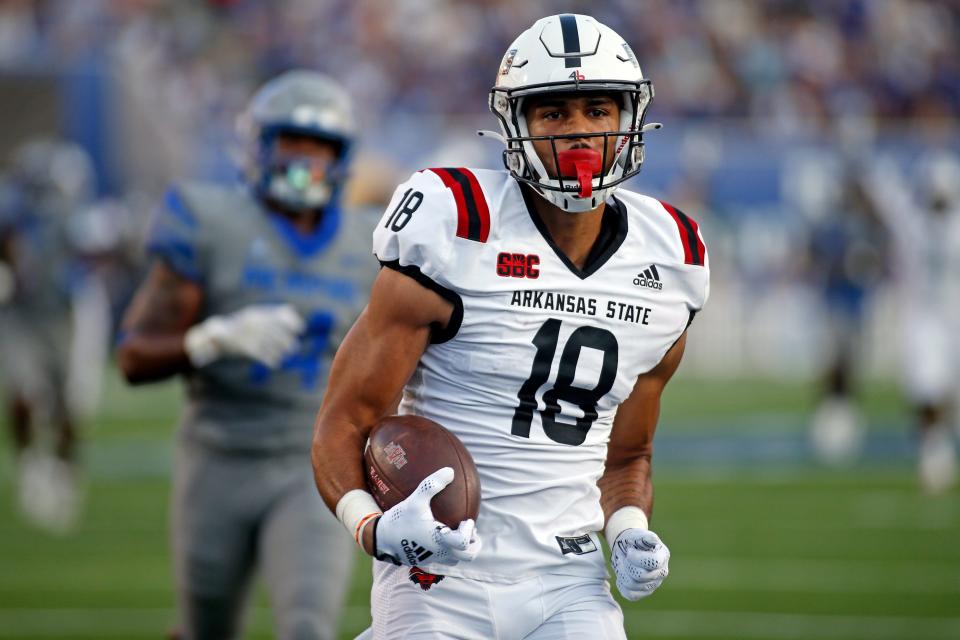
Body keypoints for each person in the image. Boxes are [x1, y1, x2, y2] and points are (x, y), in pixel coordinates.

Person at [312, 14, 710, 639]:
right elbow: (344, 420)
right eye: (553, 113)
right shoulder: (458, 221)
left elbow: (627, 454)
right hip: (438, 577)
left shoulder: (671, 254)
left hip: (569, 581)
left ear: (628, 119)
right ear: (515, 124)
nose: (578, 132)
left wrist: (630, 529)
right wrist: (374, 527)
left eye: (597, 110)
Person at [117, 70, 376, 639]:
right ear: (259, 146)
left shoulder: (372, 241)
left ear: (342, 156)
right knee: (205, 627)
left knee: (308, 625)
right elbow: (132, 358)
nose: (305, 158)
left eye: (320, 146)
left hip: (313, 460)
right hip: (219, 456)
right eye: (291, 141)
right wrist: (207, 340)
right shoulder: (208, 219)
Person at [0, 138, 97, 534]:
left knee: (64, 403)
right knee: (21, 393)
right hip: (21, 316)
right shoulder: (13, 210)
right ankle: (28, 465)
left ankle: (65, 470)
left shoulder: (69, 214)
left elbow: (90, 255)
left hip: (61, 316)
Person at [866, 152, 960, 493]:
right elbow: (882, 196)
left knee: (948, 388)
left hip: (953, 314)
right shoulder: (912, 220)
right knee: (925, 387)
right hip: (923, 316)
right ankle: (933, 452)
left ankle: (940, 445)